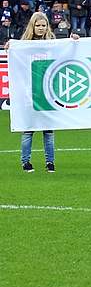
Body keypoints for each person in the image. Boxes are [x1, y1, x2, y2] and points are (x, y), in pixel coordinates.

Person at [6, 11, 76, 172]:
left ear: (47, 27)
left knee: (48, 130)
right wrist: (11, 47)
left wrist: (73, 42)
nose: (41, 28)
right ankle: (26, 162)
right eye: (38, 25)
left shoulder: (53, 43)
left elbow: (66, 55)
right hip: (29, 92)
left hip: (48, 92)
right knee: (28, 129)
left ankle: (50, 162)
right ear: (32, 26)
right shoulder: (23, 44)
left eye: (43, 25)